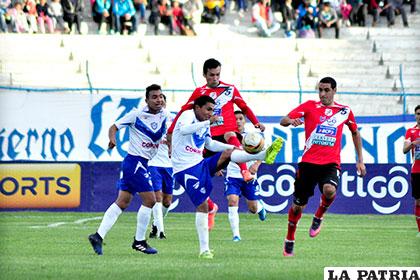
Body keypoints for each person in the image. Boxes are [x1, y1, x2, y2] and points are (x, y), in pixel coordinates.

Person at [171, 95, 284, 259]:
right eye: (208, 109)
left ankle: (264, 153)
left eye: (213, 110)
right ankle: (204, 250)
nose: (211, 113)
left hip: (199, 163)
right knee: (203, 206)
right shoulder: (188, 115)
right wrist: (207, 123)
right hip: (185, 169)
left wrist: (232, 146)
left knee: (229, 153)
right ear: (197, 108)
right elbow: (183, 130)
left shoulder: (204, 124)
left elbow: (209, 144)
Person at [167, 58, 266, 230]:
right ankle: (211, 207)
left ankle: (245, 171)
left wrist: (256, 122)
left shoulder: (229, 89)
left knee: (232, 141)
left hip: (227, 131)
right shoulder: (200, 92)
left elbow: (244, 106)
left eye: (218, 74)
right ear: (204, 75)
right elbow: (184, 109)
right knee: (194, 174)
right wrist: (170, 132)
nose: (215, 78)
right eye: (211, 75)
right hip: (209, 137)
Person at [280, 77, 366, 257]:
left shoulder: (344, 111)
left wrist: (360, 160)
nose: (322, 94)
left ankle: (319, 216)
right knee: (297, 207)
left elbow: (355, 133)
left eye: (326, 90)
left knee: (329, 190)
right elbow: (284, 120)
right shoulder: (310, 106)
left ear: (334, 90)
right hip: (308, 163)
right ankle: (290, 238)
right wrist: (291, 121)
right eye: (320, 90)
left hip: (330, 163)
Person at [88, 84, 170, 256]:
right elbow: (114, 127)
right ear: (147, 100)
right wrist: (112, 140)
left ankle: (98, 236)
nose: (159, 99)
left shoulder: (165, 115)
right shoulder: (136, 115)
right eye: (154, 97)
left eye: (161, 96)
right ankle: (139, 241)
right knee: (150, 200)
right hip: (135, 163)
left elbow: (175, 130)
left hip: (141, 163)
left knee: (122, 202)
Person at [224, 111, 267, 242]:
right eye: (235, 119)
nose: (238, 121)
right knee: (232, 200)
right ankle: (236, 235)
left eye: (240, 118)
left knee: (252, 208)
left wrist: (257, 165)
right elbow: (222, 153)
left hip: (249, 176)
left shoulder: (252, 137)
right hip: (232, 175)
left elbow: (264, 152)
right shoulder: (227, 136)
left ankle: (259, 208)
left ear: (245, 121)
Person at [148, 94, 176, 240]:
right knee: (157, 198)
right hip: (153, 164)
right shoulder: (149, 119)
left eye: (162, 100)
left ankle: (156, 224)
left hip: (169, 165)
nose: (160, 102)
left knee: (167, 201)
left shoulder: (173, 119)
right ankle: (161, 231)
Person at [403, 105, 420, 237]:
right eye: (418, 113)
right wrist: (414, 143)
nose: (419, 116)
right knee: (418, 201)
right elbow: (404, 149)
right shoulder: (411, 131)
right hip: (417, 171)